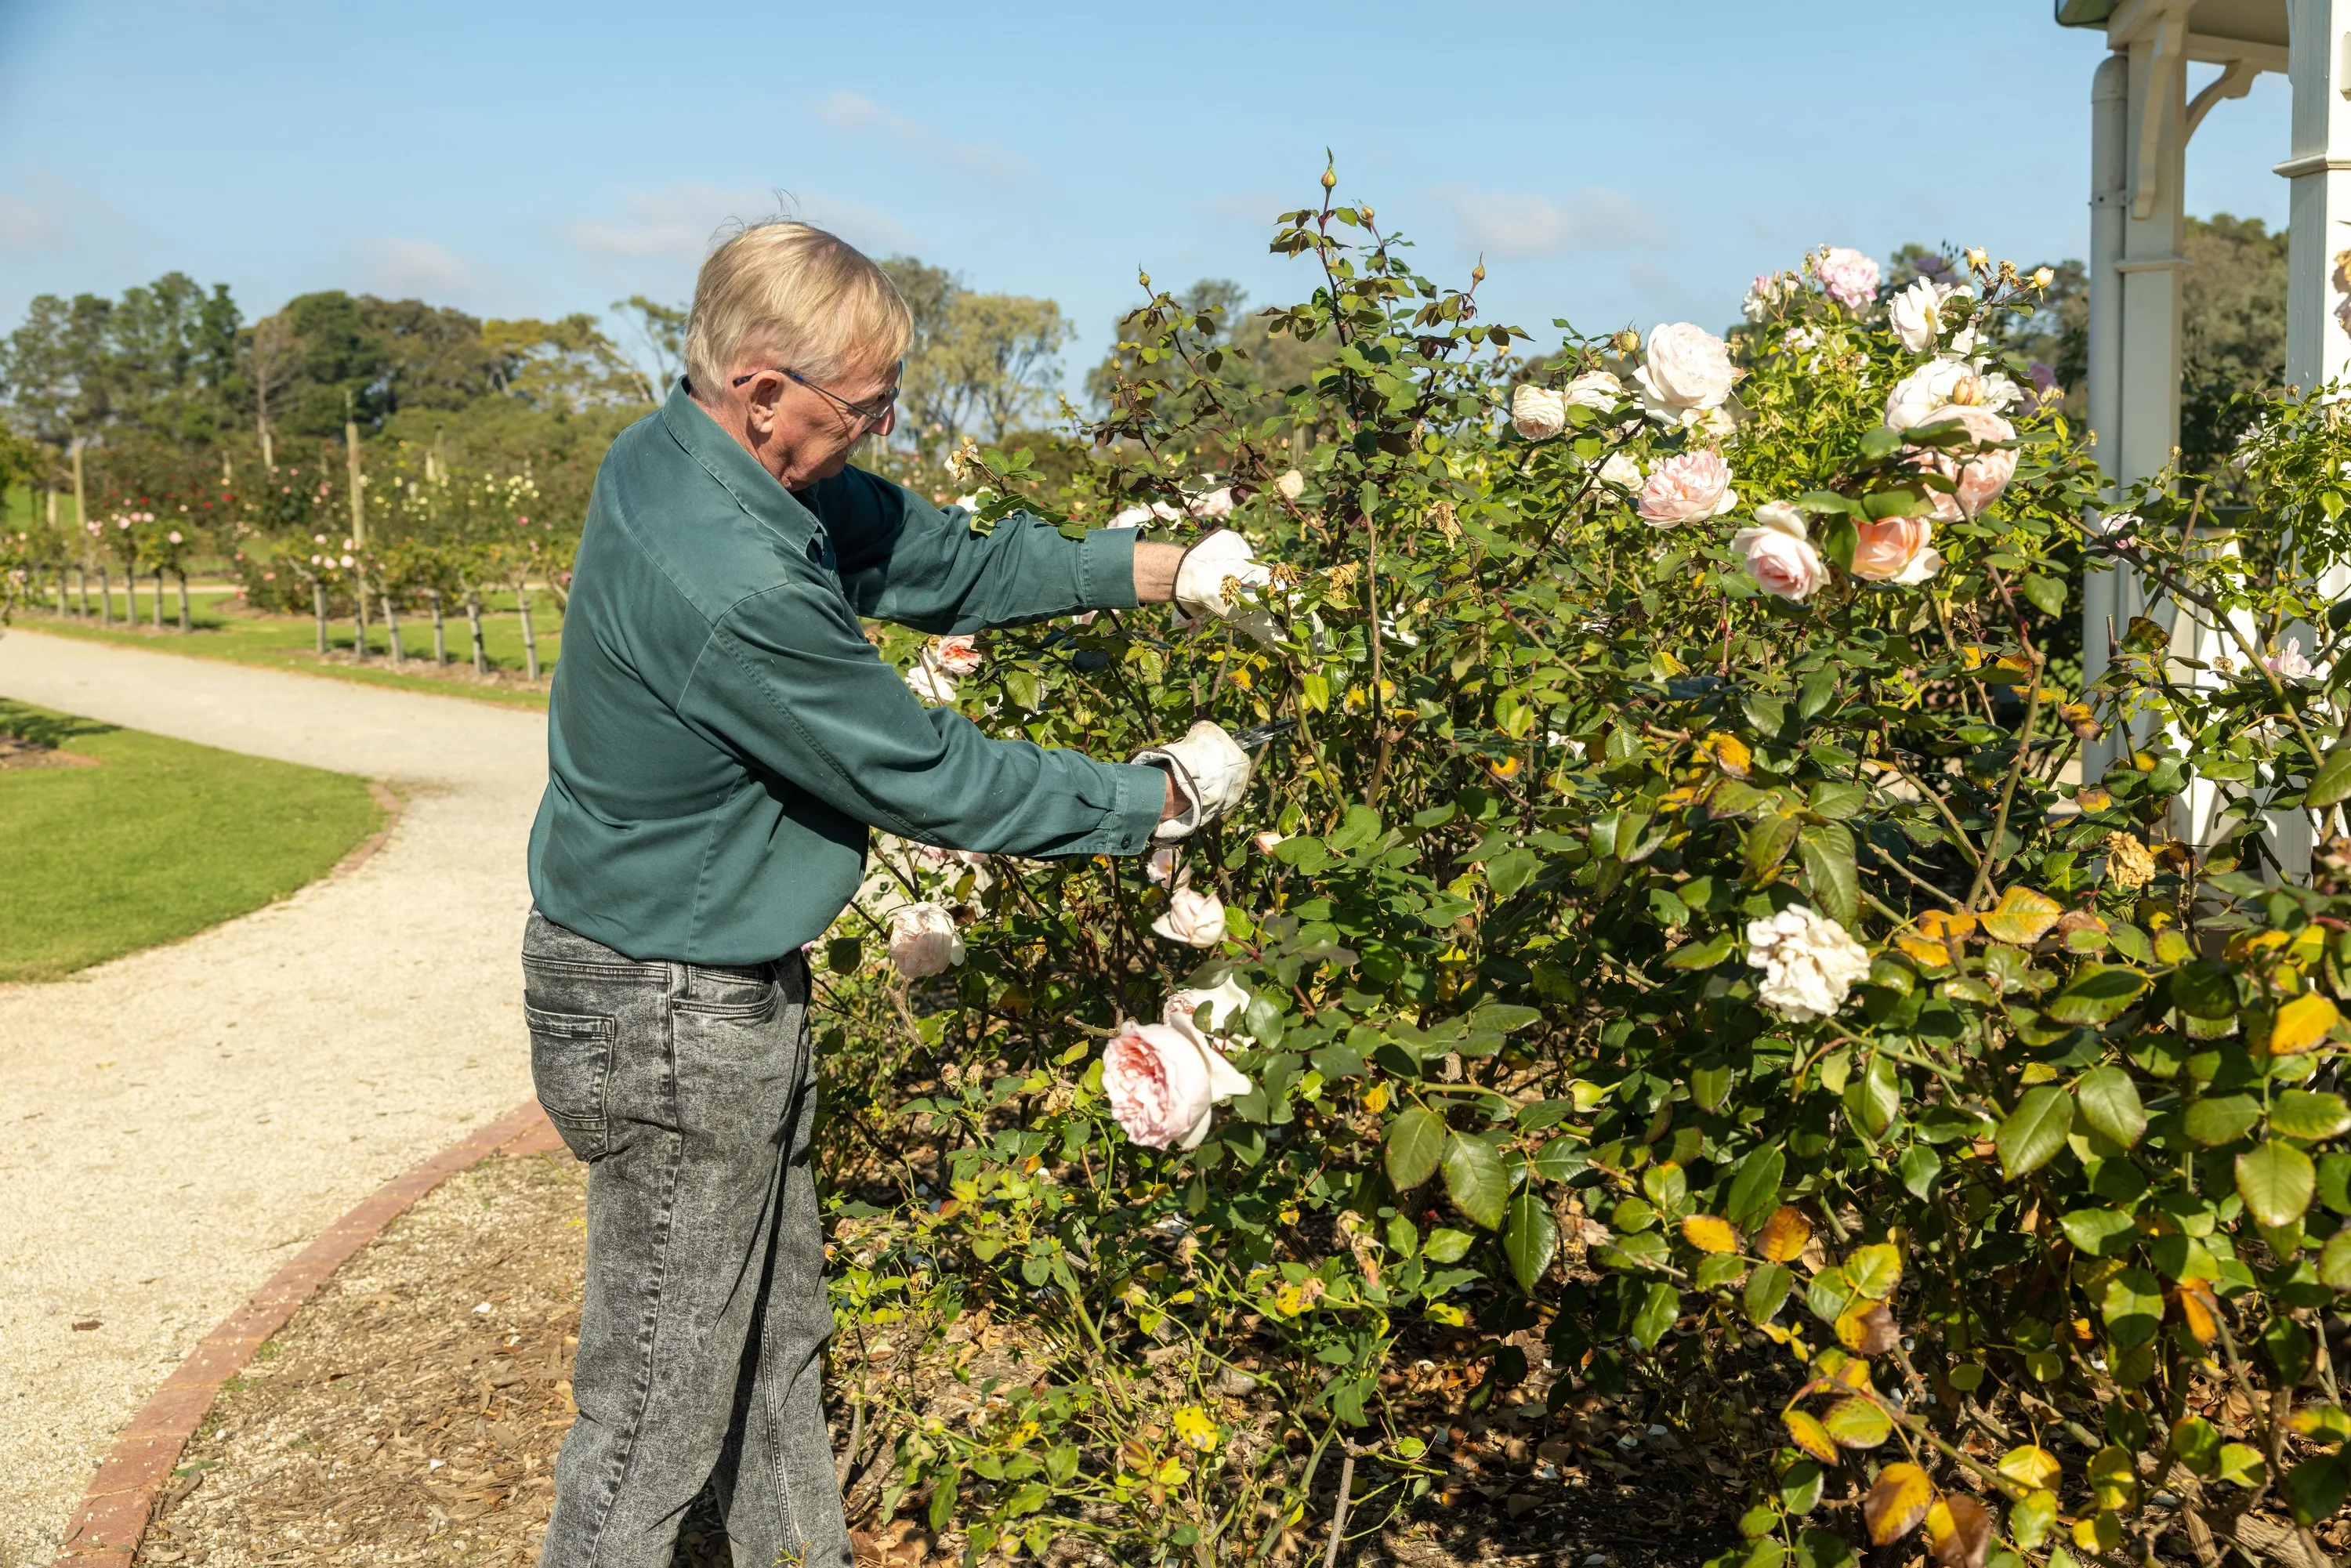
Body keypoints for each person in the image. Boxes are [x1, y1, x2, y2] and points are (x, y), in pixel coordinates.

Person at [521, 220, 1268, 1568]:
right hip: (669, 1008)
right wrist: (1158, 801)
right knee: (654, 1416)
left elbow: (944, 560)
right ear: (762, 389)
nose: (882, 429)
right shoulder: (731, 577)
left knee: (772, 1352)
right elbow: (927, 773)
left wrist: (1165, 571)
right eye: (865, 406)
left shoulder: (700, 459)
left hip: (696, 983)